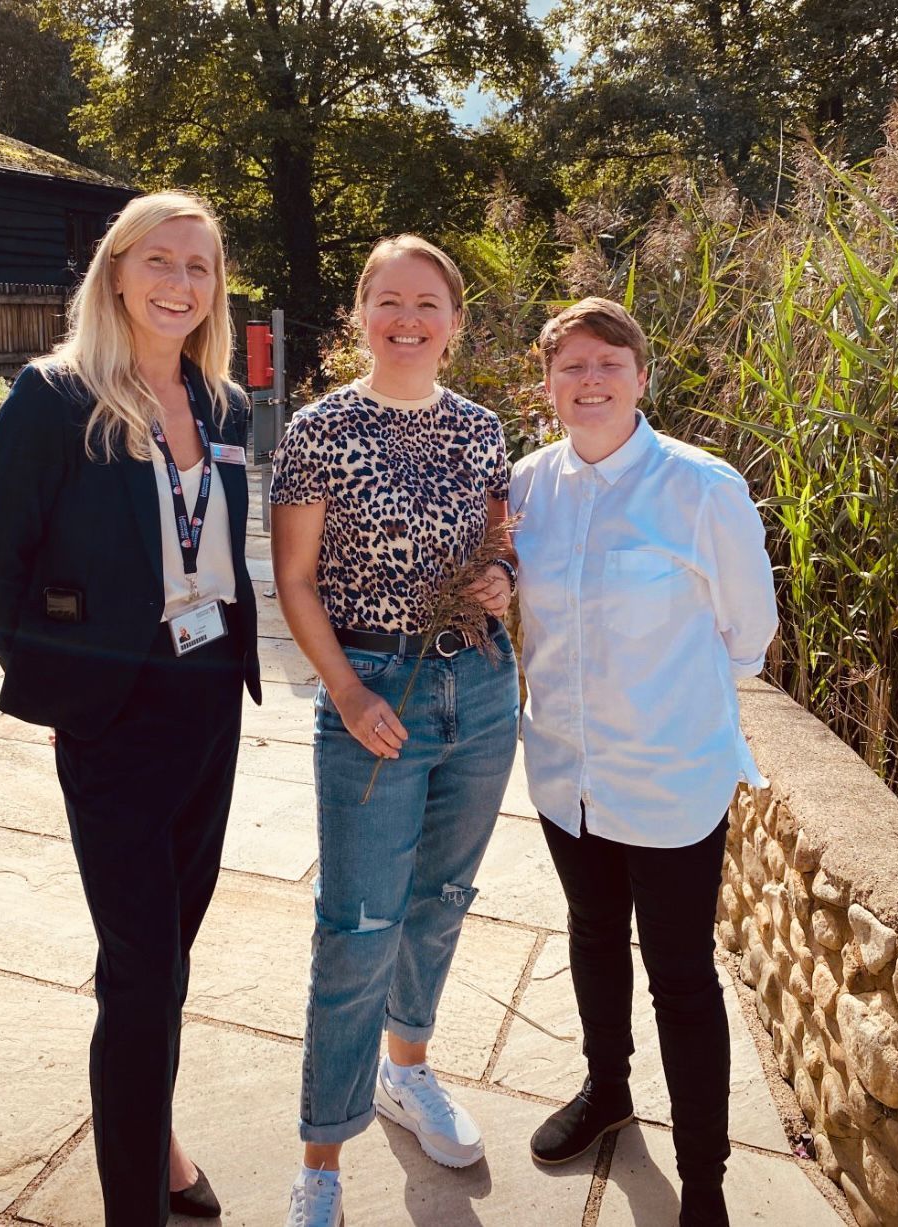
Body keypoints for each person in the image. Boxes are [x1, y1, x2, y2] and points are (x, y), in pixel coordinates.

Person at [0, 190, 261, 1227]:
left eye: (200, 266)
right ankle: (135, 1204)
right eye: (161, 261)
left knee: (168, 954)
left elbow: (213, 550)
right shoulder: (56, 397)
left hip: (210, 700)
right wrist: (67, 692)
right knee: (139, 973)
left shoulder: (224, 405)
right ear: (119, 272)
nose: (181, 283)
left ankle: (160, 1140)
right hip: (116, 718)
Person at [508, 298, 778, 1226]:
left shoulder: (701, 487)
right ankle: (607, 1090)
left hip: (669, 781)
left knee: (682, 977)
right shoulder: (527, 486)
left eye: (608, 364)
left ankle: (703, 1181)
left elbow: (749, 635)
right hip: (565, 776)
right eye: (572, 366)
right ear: (548, 384)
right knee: (591, 935)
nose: (590, 381)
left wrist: (667, 704)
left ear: (640, 376)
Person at [270, 234, 521, 1227]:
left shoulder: (481, 429)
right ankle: (321, 1161)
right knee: (357, 928)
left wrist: (502, 578)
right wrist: (344, 692)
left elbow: (502, 548)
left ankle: (405, 1070)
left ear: (454, 323)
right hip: (372, 693)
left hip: (482, 691)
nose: (408, 319)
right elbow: (294, 580)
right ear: (361, 314)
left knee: (443, 898)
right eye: (390, 301)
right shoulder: (319, 429)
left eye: (428, 304)